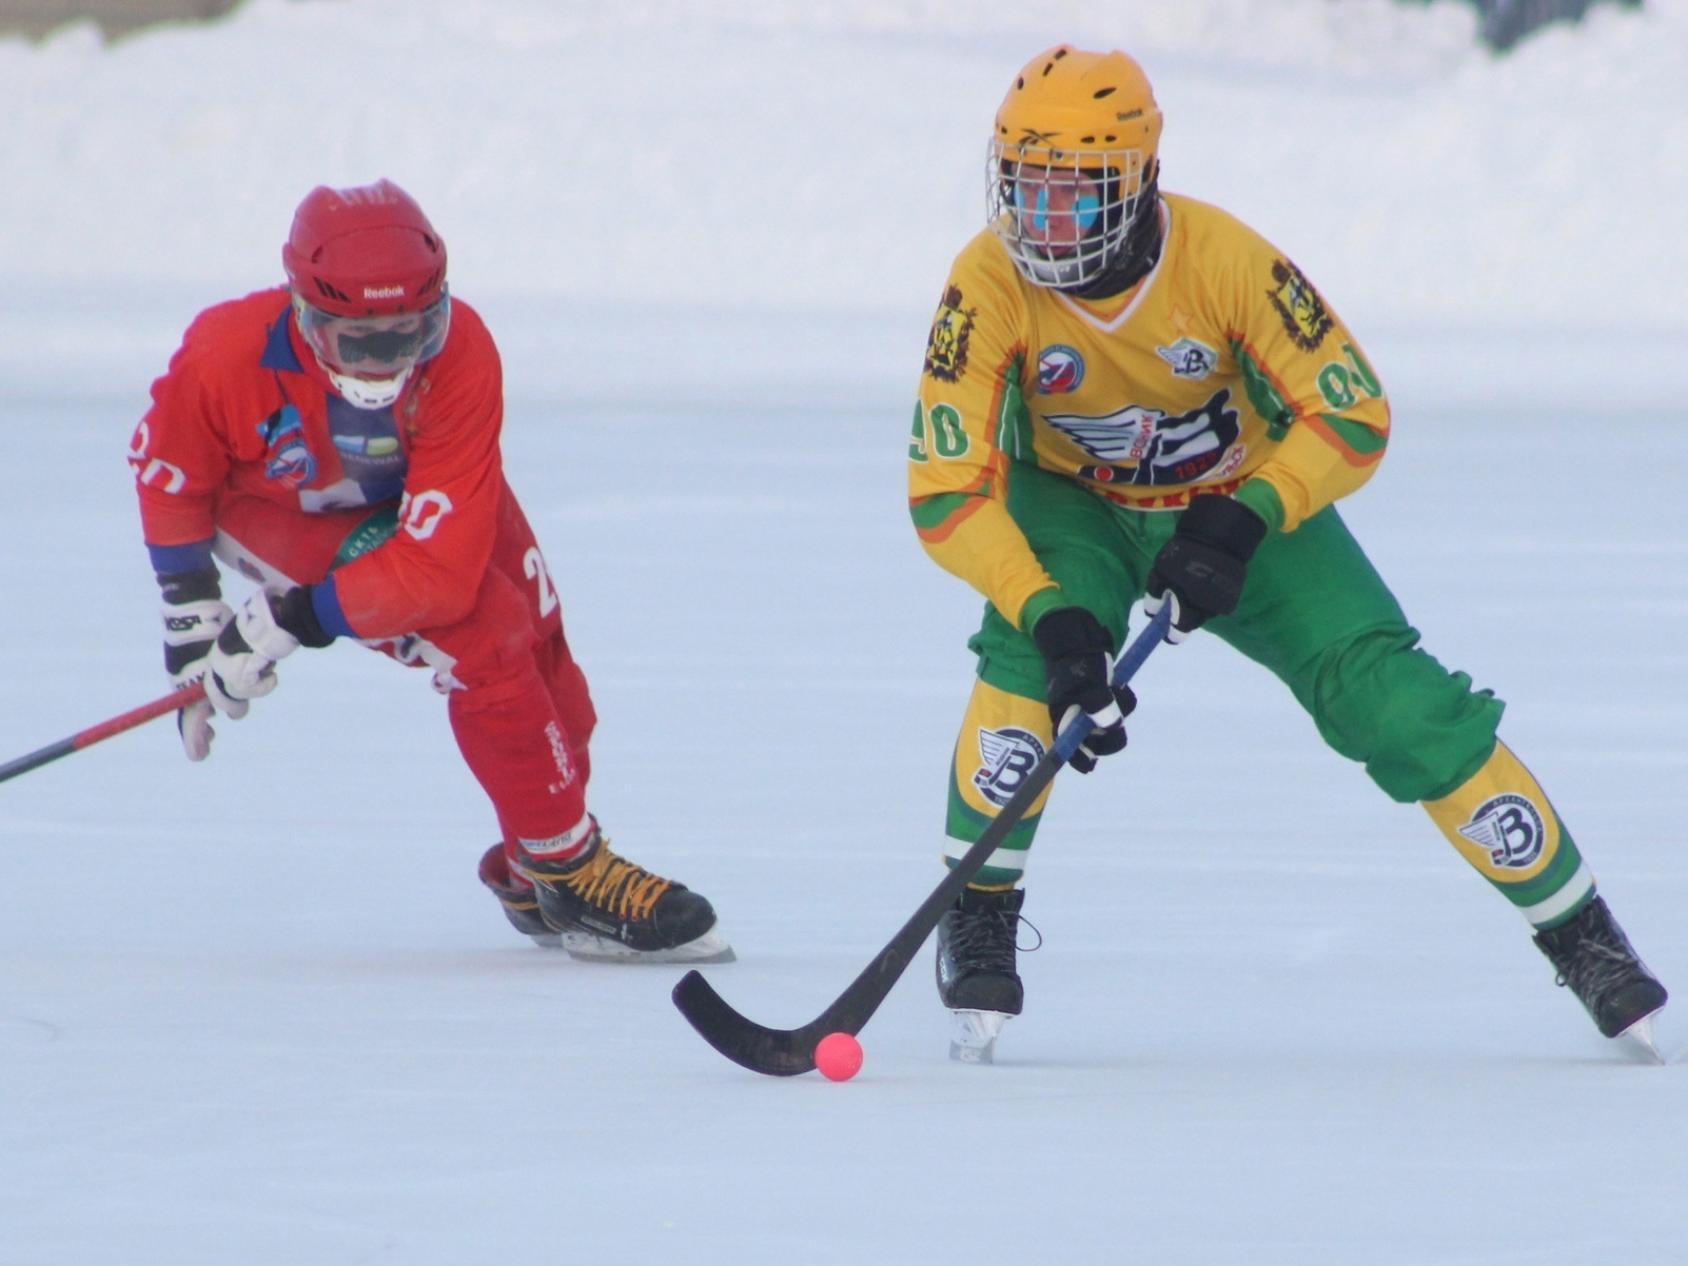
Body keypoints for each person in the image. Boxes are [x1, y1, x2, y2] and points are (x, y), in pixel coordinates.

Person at [908, 45, 1664, 1056]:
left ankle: (1580, 931)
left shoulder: (1224, 260)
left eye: (1071, 199)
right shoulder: (985, 282)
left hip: (1237, 507)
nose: (1039, 227)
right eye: (1022, 193)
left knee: (1392, 704)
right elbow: (943, 487)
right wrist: (1050, 618)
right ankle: (981, 909)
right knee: (1022, 666)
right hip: (1071, 506)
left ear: (1134, 185)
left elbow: (1351, 409)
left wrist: (1248, 513)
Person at [129, 179, 730, 963]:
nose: (390, 360)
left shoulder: (464, 349)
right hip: (279, 512)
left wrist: (293, 618)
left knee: (551, 680)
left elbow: (438, 567)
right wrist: (194, 623)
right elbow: (169, 475)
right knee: (486, 636)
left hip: (414, 494)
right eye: (361, 342)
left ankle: (528, 865)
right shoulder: (223, 352)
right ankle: (567, 868)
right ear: (304, 313)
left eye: (413, 332)